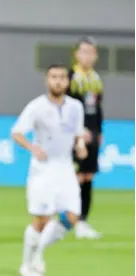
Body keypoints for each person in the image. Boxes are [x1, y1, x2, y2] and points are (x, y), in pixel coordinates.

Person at [12, 64, 87, 276]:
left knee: (72, 217)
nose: (58, 81)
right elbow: (17, 132)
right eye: (54, 77)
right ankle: (26, 265)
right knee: (42, 219)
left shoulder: (76, 107)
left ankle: (38, 253)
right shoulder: (37, 107)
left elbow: (78, 133)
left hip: (65, 167)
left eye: (62, 77)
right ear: (47, 80)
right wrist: (33, 148)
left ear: (68, 81)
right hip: (43, 169)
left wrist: (80, 145)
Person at [68, 37, 104, 239]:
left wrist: (99, 131)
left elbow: (97, 108)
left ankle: (82, 221)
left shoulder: (95, 79)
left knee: (88, 176)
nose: (87, 56)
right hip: (76, 135)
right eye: (83, 51)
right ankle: (69, 218)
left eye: (91, 52)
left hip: (93, 134)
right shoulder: (71, 77)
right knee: (76, 177)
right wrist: (77, 131)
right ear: (76, 54)